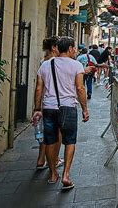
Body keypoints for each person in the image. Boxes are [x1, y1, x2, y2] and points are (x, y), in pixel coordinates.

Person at [32, 37, 89, 190]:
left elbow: (38, 89)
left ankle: (52, 174)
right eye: (74, 48)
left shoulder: (45, 64)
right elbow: (80, 89)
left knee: (49, 141)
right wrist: (85, 109)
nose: (75, 51)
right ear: (70, 48)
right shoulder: (76, 65)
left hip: (49, 108)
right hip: (68, 107)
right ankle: (66, 175)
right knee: (70, 141)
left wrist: (37, 109)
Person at [35, 36, 64, 170]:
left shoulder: (43, 61)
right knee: (56, 133)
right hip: (54, 102)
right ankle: (55, 159)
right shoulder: (55, 62)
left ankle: (41, 159)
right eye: (59, 46)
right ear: (53, 47)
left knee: (47, 133)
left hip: (44, 102)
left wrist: (37, 107)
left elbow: (39, 87)